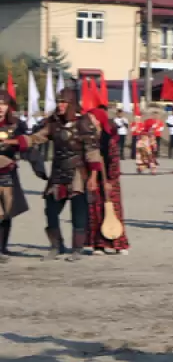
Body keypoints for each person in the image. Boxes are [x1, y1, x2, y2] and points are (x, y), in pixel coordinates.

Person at [8, 88, 103, 260]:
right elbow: (36, 138)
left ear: (71, 103)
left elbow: (92, 151)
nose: (60, 105)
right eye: (59, 101)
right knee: (51, 210)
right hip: (58, 173)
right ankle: (56, 246)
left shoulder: (83, 122)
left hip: (77, 174)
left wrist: (93, 176)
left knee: (78, 212)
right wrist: (11, 141)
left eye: (64, 102)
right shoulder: (54, 123)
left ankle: (77, 249)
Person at [87, 101, 130, 256]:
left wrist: (111, 181)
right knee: (95, 212)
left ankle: (119, 244)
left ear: (99, 120)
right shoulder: (89, 139)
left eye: (91, 118)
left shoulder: (109, 140)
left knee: (113, 211)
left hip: (109, 182)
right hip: (94, 180)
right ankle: (98, 244)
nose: (89, 121)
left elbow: (114, 162)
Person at [0, 93, 32, 259]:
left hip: (7, 172)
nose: (1, 107)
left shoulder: (16, 124)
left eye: (4, 104)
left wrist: (11, 142)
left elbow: (26, 142)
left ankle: (3, 247)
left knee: (7, 211)